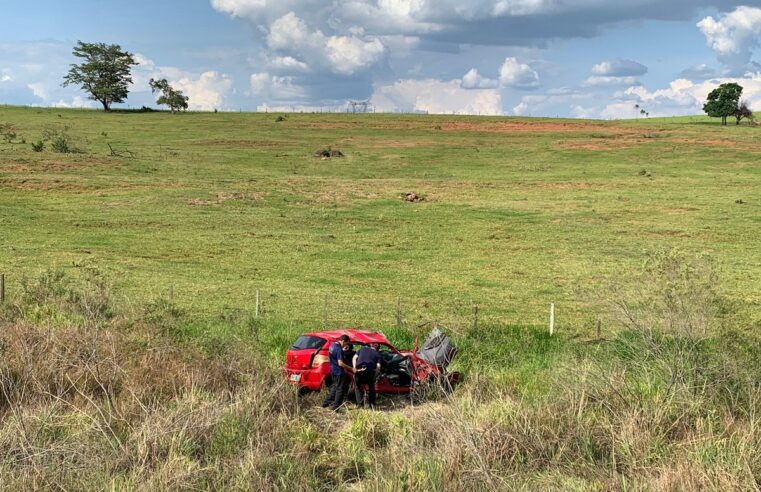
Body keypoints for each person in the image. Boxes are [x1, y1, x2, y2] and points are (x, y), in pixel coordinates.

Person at [321, 335, 362, 411]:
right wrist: (351, 369)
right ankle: (336, 407)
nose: (346, 345)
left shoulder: (332, 346)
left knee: (334, 387)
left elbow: (330, 358)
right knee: (340, 389)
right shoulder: (339, 349)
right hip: (339, 372)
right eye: (346, 343)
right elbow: (340, 363)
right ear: (343, 341)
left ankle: (326, 403)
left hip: (333, 370)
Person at [353, 343, 381, 409]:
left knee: (357, 387)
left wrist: (354, 368)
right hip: (369, 372)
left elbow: (354, 357)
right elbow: (378, 367)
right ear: (378, 349)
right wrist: (375, 376)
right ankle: (372, 405)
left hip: (359, 371)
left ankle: (360, 405)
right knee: (371, 388)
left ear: (371, 346)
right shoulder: (377, 354)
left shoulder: (362, 349)